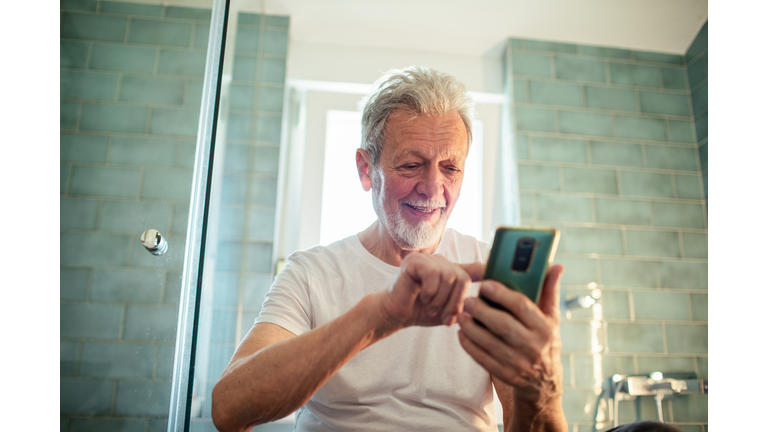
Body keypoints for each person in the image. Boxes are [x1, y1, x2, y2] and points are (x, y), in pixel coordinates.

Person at [211, 66, 568, 432]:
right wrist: (379, 317)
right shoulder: (311, 273)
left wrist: (542, 388)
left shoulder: (490, 270)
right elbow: (229, 408)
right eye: (411, 165)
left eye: (450, 168)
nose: (432, 188)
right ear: (366, 170)